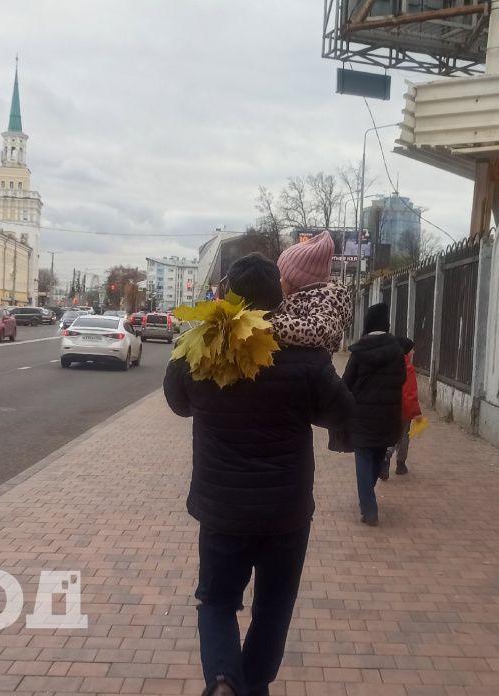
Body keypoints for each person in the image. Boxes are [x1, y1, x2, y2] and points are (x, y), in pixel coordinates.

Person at [164, 253, 354, 696]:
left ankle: (225, 681)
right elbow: (342, 413)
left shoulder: (200, 349)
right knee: (273, 608)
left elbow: (178, 402)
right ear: (280, 298)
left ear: (228, 296)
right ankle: (252, 685)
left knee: (215, 601)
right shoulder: (306, 359)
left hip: (222, 509)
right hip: (285, 513)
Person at [341, 303, 406, 526]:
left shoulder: (360, 352)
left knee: (364, 457)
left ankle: (369, 508)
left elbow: (346, 383)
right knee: (378, 454)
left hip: (362, 415)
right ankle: (368, 499)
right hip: (388, 415)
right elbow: (402, 380)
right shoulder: (397, 351)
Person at [270, 231, 352, 353]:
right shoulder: (297, 298)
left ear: (296, 284)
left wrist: (271, 325)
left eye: (283, 276)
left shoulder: (325, 300)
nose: (279, 281)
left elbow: (320, 329)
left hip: (308, 370)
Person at [381, 336, 421, 479]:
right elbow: (409, 394)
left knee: (391, 434)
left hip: (390, 408)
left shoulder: (389, 365)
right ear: (405, 352)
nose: (414, 352)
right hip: (403, 410)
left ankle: (385, 456)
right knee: (403, 436)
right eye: (411, 350)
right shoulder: (408, 368)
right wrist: (416, 412)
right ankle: (400, 463)